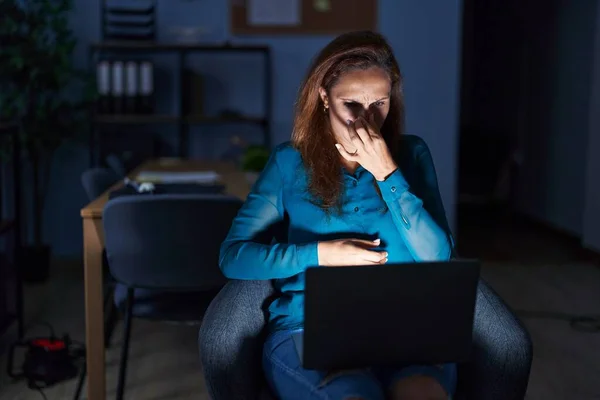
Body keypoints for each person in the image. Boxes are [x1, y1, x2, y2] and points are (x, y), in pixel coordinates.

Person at [219, 31, 456, 400]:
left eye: (380, 102)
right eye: (352, 104)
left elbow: (438, 256)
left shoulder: (411, 154)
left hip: (404, 329)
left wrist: (387, 175)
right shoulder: (289, 162)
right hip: (311, 328)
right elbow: (233, 257)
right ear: (324, 97)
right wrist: (320, 254)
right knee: (353, 394)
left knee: (424, 393)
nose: (368, 121)